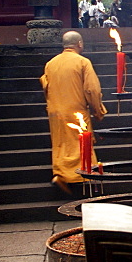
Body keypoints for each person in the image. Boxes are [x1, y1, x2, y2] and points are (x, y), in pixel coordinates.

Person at [40, 30, 108, 195]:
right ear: (79, 44)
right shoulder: (82, 62)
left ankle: (60, 175)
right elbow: (92, 89)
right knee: (81, 145)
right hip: (76, 112)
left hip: (56, 113)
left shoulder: (51, 63)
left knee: (61, 145)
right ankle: (86, 180)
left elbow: (45, 86)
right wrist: (98, 111)